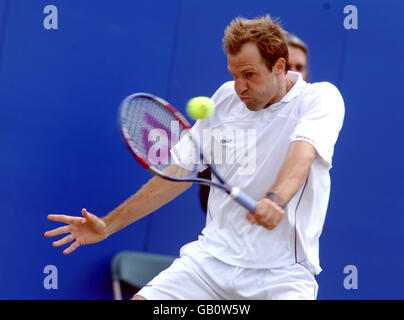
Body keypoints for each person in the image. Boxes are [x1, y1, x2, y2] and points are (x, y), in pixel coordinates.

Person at [44, 15, 344, 300]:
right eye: (235, 75)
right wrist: (108, 225)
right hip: (209, 264)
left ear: (279, 67)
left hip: (280, 275)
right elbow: (177, 174)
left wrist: (276, 199)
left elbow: (303, 153)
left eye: (249, 75)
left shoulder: (319, 98)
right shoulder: (226, 99)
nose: (240, 87)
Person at [197, 31, 309, 214]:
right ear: (279, 66)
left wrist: (276, 199)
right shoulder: (232, 104)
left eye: (300, 66)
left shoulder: (316, 102)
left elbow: (304, 154)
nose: (294, 72)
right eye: (290, 65)